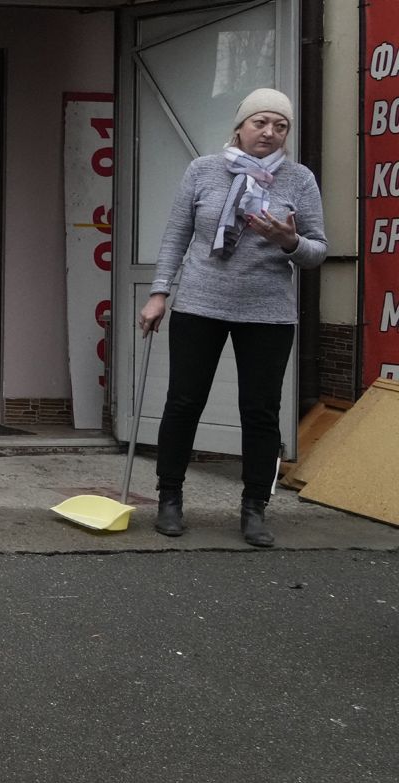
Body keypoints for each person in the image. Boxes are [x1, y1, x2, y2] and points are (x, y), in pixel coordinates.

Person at [138, 87, 327, 547]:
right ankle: (169, 499)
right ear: (240, 126)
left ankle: (255, 507)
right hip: (200, 303)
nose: (270, 132)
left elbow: (317, 251)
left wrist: (289, 242)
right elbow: (176, 236)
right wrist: (159, 293)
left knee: (260, 411)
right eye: (261, 122)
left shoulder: (299, 179)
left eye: (280, 126)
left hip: (267, 312)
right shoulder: (203, 170)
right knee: (184, 401)